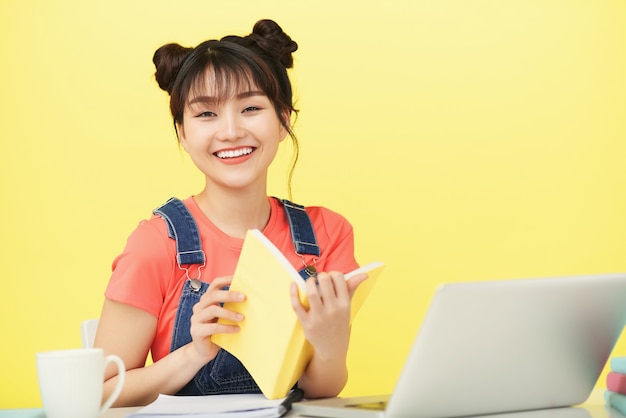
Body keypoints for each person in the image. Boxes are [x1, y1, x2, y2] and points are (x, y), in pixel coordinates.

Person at [95, 19, 368, 407]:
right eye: (206, 114)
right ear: (183, 136)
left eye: (251, 108)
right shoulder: (156, 244)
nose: (231, 131)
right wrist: (194, 353)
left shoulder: (327, 234)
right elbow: (101, 395)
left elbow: (324, 391)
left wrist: (329, 345)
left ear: (283, 121)